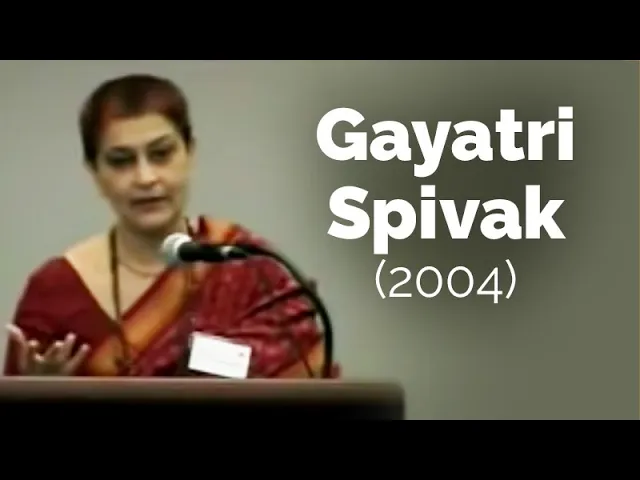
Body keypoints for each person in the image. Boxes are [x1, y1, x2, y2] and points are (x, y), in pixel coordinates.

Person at [3, 74, 340, 378]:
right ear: (95, 173)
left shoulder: (250, 267)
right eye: (121, 161)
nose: (145, 177)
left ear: (190, 153)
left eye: (161, 154)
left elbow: (310, 385)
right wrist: (39, 393)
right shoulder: (57, 289)